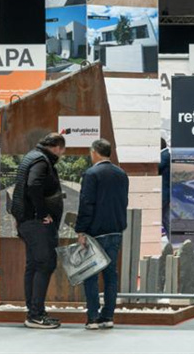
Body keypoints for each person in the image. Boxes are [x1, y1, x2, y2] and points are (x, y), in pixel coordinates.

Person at [11, 133, 66, 329]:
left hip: (27, 221)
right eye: (62, 150)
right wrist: (42, 213)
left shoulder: (32, 156)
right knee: (44, 264)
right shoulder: (41, 161)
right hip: (36, 224)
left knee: (34, 265)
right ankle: (35, 315)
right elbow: (33, 185)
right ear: (57, 147)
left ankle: (34, 312)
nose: (62, 154)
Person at [76, 139, 129, 329]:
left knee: (90, 275)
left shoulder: (91, 174)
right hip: (116, 230)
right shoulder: (121, 174)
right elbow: (124, 201)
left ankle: (92, 317)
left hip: (95, 232)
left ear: (95, 152)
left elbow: (86, 203)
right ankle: (108, 316)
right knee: (110, 275)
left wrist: (81, 230)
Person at [159, 138, 171, 237]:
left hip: (164, 193)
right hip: (165, 192)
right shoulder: (165, 154)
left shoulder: (164, 155)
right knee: (165, 218)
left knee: (163, 217)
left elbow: (156, 168)